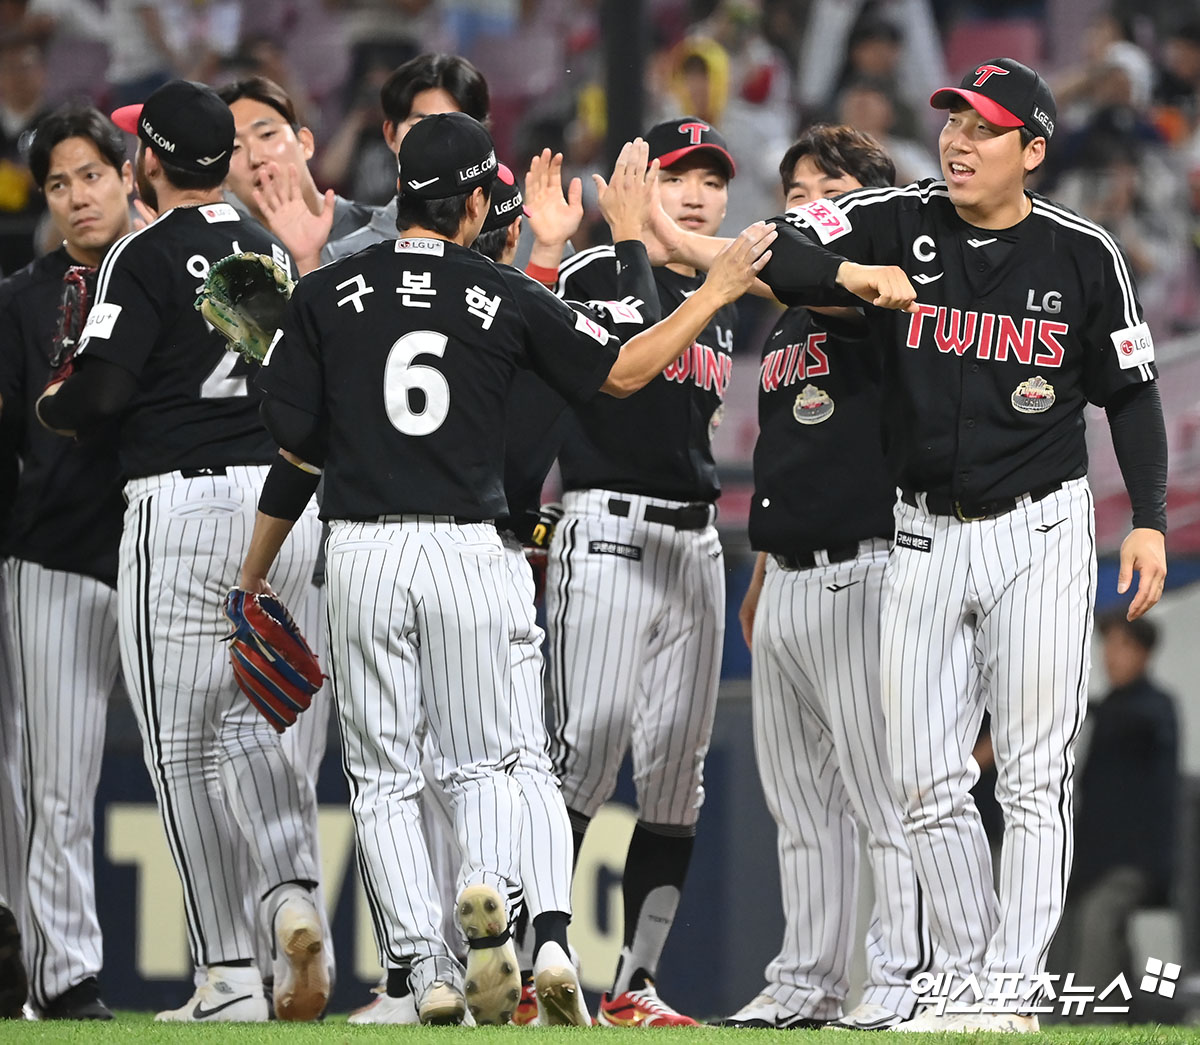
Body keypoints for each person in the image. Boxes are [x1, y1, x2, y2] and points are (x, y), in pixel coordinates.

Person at [653, 56, 1168, 1034]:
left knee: (1029, 773)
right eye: (953, 123)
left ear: (1034, 148)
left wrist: (1144, 516)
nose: (959, 142)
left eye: (983, 128)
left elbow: (1134, 393)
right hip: (923, 528)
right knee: (926, 775)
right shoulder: (901, 215)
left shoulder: (1081, 252)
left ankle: (1009, 989)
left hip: (1042, 528)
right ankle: (970, 974)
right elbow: (777, 249)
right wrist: (850, 272)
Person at [236, 113, 775, 1026]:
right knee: (501, 757)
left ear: (401, 190)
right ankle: (501, 905)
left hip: (364, 547)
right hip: (472, 548)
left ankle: (421, 962)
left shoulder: (330, 292)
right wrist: (715, 292)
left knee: (383, 774)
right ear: (481, 201)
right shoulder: (502, 290)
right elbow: (627, 370)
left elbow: (291, 431)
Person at [34, 79, 329, 1024]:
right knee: (256, 724)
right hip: (281, 501)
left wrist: (54, 405)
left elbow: (104, 393)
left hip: (183, 505)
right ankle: (290, 895)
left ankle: (229, 972)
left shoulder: (143, 251)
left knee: (182, 745)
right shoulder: (269, 248)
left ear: (148, 163)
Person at [719, 124, 930, 1032]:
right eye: (797, 186)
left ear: (869, 205)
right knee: (801, 807)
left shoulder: (875, 292)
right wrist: (763, 567)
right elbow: (786, 449)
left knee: (883, 798)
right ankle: (805, 983)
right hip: (794, 571)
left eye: (830, 186)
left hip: (863, 567)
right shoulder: (788, 319)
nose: (807, 199)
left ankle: (897, 979)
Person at [547, 115, 739, 1027]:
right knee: (586, 748)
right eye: (676, 175)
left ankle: (634, 984)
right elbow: (632, 375)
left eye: (711, 178)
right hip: (610, 526)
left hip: (694, 541)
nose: (697, 193)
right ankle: (535, 956)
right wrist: (628, 238)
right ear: (634, 187)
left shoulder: (721, 293)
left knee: (674, 778)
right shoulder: (594, 272)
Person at [0, 102, 133, 1021]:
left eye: (91, 174)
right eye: (59, 183)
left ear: (128, 175)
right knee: (55, 781)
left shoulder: (172, 271)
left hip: (169, 549)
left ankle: (239, 967)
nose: (78, 197)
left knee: (227, 769)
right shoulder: (21, 298)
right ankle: (63, 974)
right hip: (54, 555)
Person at [257, 52, 491, 269]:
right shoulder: (346, 256)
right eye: (420, 124)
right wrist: (307, 262)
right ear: (390, 134)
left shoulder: (515, 236)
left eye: (455, 124)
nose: (437, 141)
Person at [1055, 610, 1178, 1017]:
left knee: (1098, 922)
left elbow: (1138, 722)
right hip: (1096, 861)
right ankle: (1139, 1015)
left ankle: (1090, 1023)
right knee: (1090, 932)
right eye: (1107, 644)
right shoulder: (1109, 709)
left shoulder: (1154, 709)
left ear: (1144, 653)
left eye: (1122, 645)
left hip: (1134, 863)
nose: (1110, 655)